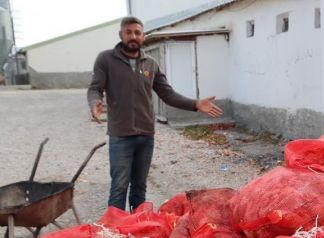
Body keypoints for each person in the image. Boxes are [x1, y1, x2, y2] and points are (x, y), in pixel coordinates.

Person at [87, 16, 223, 211]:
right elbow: (95, 88)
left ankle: (139, 227)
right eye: (128, 32)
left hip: (145, 135)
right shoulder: (106, 59)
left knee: (140, 187)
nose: (133, 36)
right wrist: (95, 103)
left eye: (137, 32)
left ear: (143, 36)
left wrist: (195, 104)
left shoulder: (151, 63)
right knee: (119, 186)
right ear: (121, 34)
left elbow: (168, 94)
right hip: (120, 136)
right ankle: (114, 232)